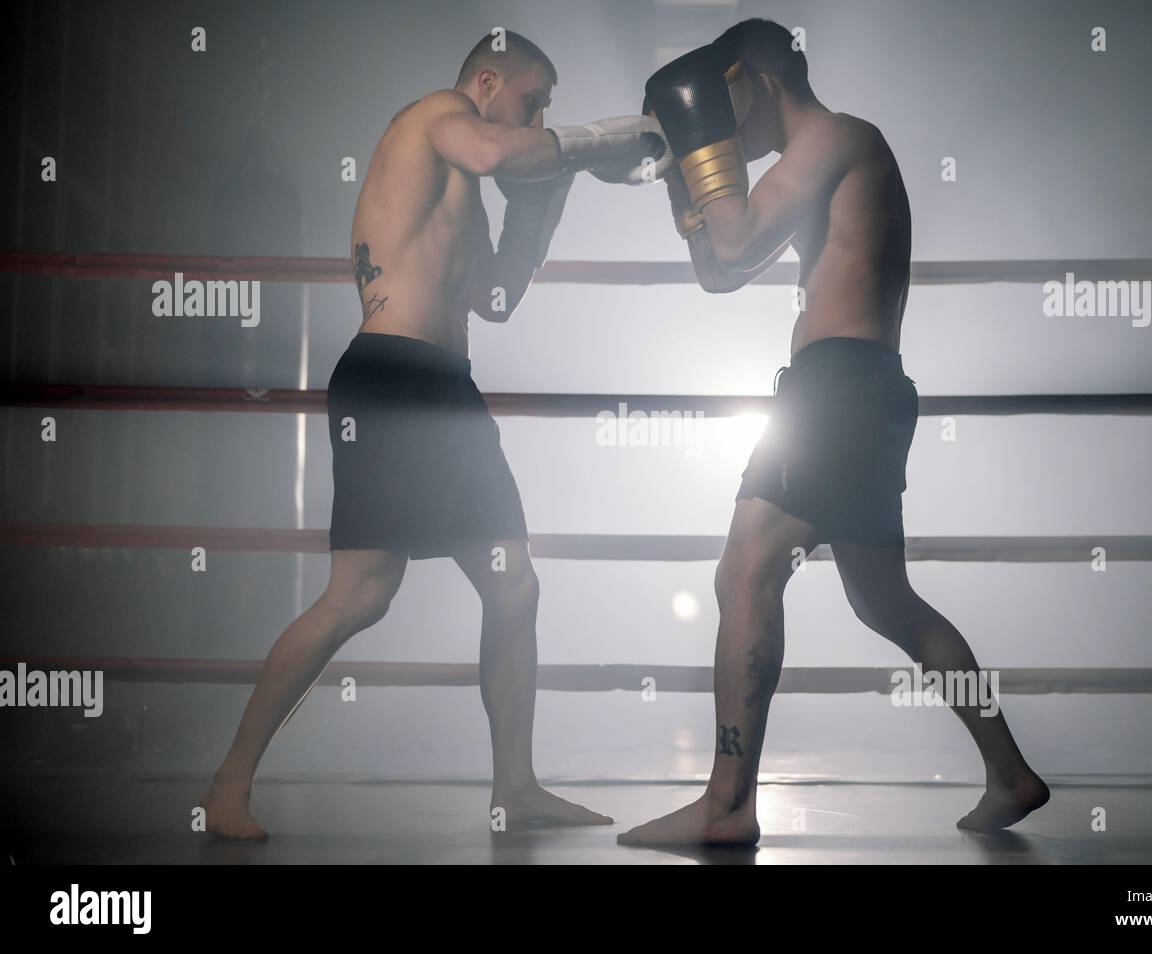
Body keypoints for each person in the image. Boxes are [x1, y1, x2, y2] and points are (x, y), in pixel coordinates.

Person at [201, 30, 666, 839]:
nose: (541, 115)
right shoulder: (434, 117)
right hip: (391, 378)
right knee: (361, 594)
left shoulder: (469, 182)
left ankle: (515, 786)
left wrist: (548, 196)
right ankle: (227, 785)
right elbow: (496, 151)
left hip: (447, 389)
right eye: (533, 99)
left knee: (513, 584)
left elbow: (495, 298)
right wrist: (602, 140)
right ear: (486, 82)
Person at [620, 19, 1048, 847]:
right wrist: (680, 174)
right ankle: (1010, 770)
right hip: (859, 392)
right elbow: (720, 271)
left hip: (839, 391)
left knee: (744, 569)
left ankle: (728, 803)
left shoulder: (839, 138)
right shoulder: (813, 159)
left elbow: (736, 236)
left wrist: (696, 153)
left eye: (726, 105)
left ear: (753, 82)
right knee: (883, 598)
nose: (728, 128)